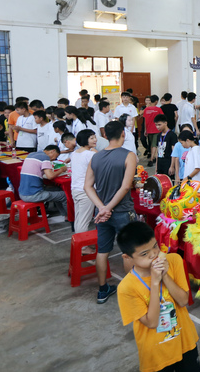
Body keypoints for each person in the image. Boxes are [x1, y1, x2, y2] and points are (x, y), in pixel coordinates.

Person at [116, 222, 200, 372]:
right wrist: (155, 282)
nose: (154, 254)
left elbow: (183, 301)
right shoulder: (126, 288)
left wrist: (165, 275)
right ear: (127, 257)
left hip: (185, 341)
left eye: (155, 246)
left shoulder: (173, 261)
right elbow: (152, 322)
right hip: (156, 353)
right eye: (144, 254)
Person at [84, 120, 138, 304]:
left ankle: (102, 289)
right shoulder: (129, 156)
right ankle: (133, 293)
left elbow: (87, 186)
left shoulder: (95, 157)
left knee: (103, 251)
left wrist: (101, 207)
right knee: (129, 252)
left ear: (105, 135)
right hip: (122, 211)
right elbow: (125, 188)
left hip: (102, 215)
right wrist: (108, 208)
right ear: (123, 133)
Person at [18, 144, 68, 215]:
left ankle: (65, 215)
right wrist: (61, 170)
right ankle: (71, 218)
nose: (53, 159)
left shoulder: (31, 155)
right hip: (33, 194)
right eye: (55, 157)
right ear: (52, 151)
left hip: (22, 192)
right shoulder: (45, 157)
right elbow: (50, 176)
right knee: (64, 195)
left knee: (57, 189)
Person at [70, 129, 98, 235]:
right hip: (86, 191)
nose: (95, 140)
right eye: (91, 138)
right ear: (84, 140)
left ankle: (79, 244)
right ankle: (83, 247)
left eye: (95, 137)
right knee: (83, 221)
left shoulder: (74, 153)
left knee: (79, 218)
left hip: (75, 189)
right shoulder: (89, 154)